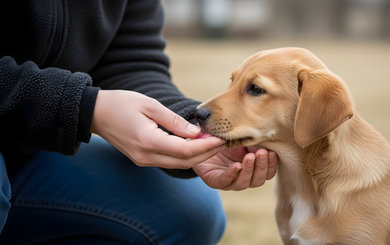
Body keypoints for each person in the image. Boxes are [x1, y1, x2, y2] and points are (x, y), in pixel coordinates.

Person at [0, 0, 278, 244]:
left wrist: (188, 131)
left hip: (26, 155)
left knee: (188, 211)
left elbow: (130, 60)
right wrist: (83, 107)